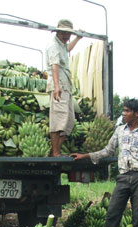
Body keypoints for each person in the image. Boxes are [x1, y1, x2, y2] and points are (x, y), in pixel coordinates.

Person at [71, 98, 138, 227]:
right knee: (112, 212)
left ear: (137, 113)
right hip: (123, 177)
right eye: (123, 111)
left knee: (137, 216)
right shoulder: (120, 131)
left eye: (127, 111)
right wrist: (86, 156)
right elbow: (108, 150)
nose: (124, 114)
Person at [46, 19, 83, 157]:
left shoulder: (62, 45)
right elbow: (55, 66)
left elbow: (67, 49)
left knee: (69, 121)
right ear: (58, 32)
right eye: (64, 33)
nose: (66, 36)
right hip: (59, 85)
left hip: (66, 85)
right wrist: (56, 87)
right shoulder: (53, 46)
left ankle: (55, 151)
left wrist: (78, 39)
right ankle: (55, 152)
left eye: (69, 34)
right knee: (58, 119)